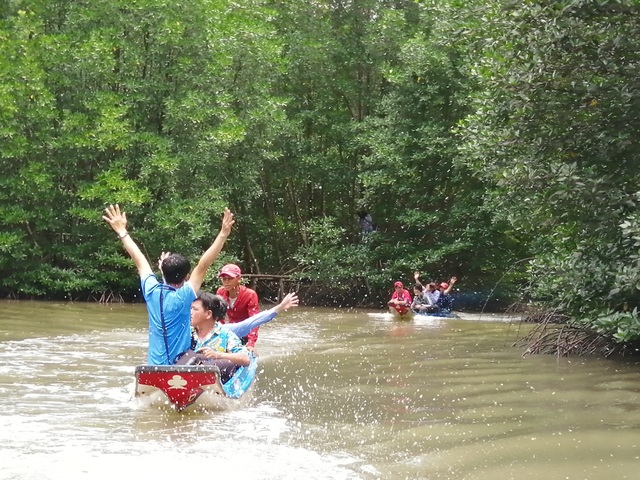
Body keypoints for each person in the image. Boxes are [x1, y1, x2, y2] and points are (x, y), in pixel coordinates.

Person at [102, 204, 234, 366]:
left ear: (162, 273)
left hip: (154, 366)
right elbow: (203, 265)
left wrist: (122, 231)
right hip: (180, 366)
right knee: (209, 359)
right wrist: (223, 234)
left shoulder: (151, 291)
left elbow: (139, 259)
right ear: (186, 277)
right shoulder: (185, 296)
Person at [190, 291, 299, 383]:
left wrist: (279, 307)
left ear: (209, 314)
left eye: (194, 309)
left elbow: (252, 322)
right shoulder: (186, 332)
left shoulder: (226, 332)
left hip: (217, 376)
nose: (189, 313)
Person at [215, 263, 260, 351]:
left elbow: (255, 320)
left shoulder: (250, 295)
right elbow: (219, 317)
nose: (226, 282)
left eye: (230, 278)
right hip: (231, 331)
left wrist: (251, 343)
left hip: (246, 332)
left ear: (239, 279)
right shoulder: (220, 292)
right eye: (224, 279)